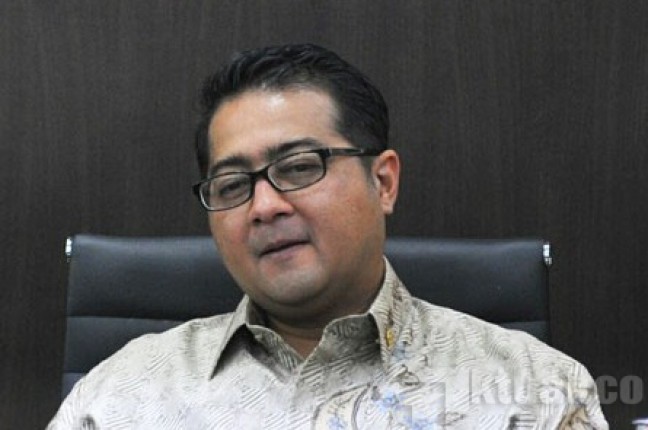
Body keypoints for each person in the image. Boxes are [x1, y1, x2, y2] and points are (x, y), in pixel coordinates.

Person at [48, 43, 608, 429]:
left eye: (299, 167)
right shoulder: (120, 393)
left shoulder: (536, 392)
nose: (264, 206)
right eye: (233, 184)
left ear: (383, 182)